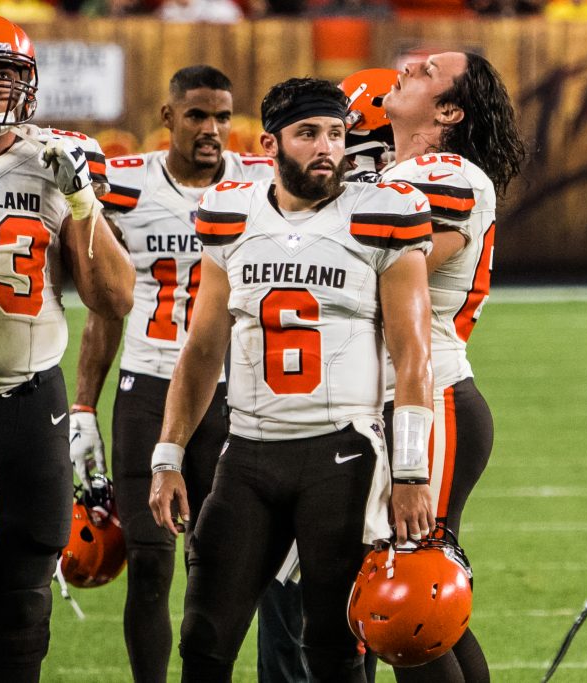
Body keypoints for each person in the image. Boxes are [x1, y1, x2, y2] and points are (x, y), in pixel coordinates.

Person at [148, 76, 435, 682]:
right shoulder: (231, 211)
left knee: (334, 645)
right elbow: (202, 349)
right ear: (271, 143)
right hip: (248, 454)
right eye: (308, 134)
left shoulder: (385, 212)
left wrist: (410, 472)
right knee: (203, 636)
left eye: (335, 133)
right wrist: (168, 455)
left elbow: (413, 354)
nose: (327, 147)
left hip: (342, 454)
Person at [0, 15, 134, 683]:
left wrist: (80, 199)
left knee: (20, 613)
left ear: (28, 83)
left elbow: (115, 298)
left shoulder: (58, 159)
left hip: (27, 402)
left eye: (4, 72)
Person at [70, 64, 273, 683]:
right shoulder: (126, 187)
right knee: (151, 562)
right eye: (197, 116)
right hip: (149, 384)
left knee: (215, 559)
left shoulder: (260, 185)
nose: (211, 130)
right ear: (168, 117)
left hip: (232, 390)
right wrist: (83, 407)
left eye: (220, 116)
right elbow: (107, 308)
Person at [377, 51, 526, 683]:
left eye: (430, 69)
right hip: (405, 396)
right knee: (421, 606)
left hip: (430, 398)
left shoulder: (448, 173)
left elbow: (377, 271)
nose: (409, 65)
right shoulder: (398, 172)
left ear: (449, 110)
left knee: (410, 609)